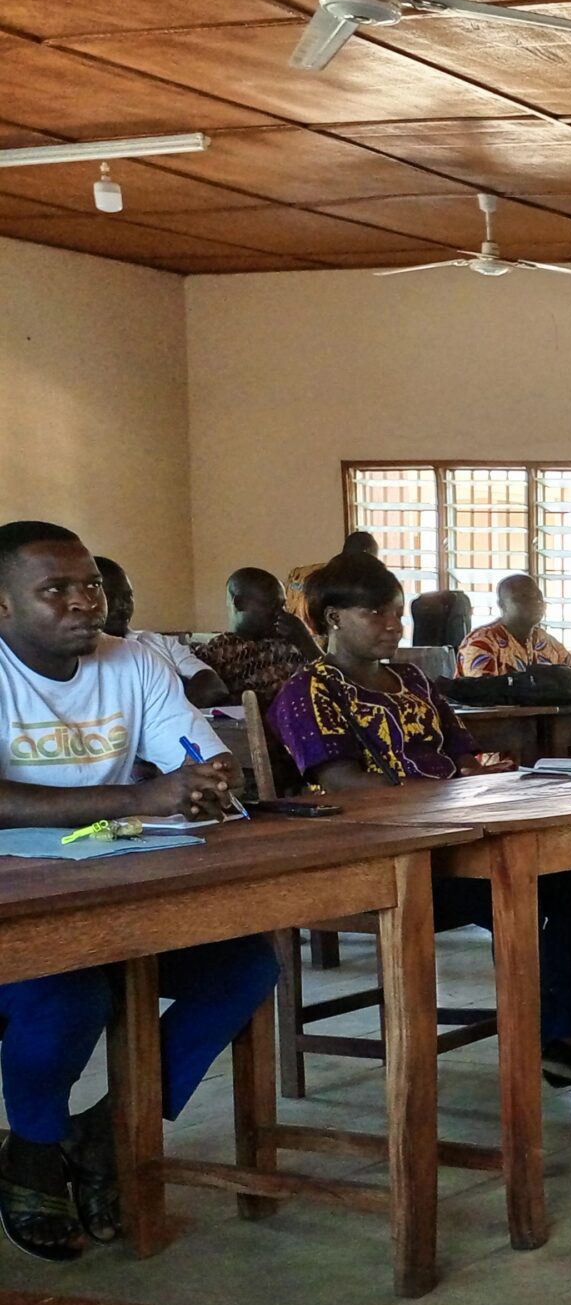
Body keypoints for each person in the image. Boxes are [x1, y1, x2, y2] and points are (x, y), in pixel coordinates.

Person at [0, 521, 279, 1262]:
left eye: (90, 585)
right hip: (15, 911)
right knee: (68, 991)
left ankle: (110, 1130)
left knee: (246, 966)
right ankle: (34, 1147)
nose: (83, 602)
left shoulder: (134, 661)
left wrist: (206, 784)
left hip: (116, 893)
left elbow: (198, 760)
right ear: (2, 604)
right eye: (55, 589)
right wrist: (137, 798)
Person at [269, 553, 571, 1083]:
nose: (394, 626)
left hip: (450, 841)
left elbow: (460, 758)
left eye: (397, 613)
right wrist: (438, 799)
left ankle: (564, 1034)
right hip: (373, 858)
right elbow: (341, 782)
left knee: (569, 882)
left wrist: (491, 779)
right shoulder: (310, 689)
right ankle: (542, 1036)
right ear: (333, 618)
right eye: (376, 614)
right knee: (520, 887)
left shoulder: (413, 681)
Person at [93, 555, 226, 708]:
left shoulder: (158, 642)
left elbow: (212, 684)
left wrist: (169, 711)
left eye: (128, 596)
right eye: (110, 597)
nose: (123, 606)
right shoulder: (82, 656)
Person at [199, 566, 317, 704]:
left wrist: (305, 641)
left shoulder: (294, 640)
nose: (281, 613)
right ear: (240, 603)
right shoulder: (220, 649)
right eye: (273, 605)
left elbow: (334, 677)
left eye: (283, 606)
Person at [457, 574, 571, 678]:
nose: (536, 602)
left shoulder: (546, 641)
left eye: (539, 596)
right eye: (525, 598)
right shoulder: (481, 642)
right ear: (502, 605)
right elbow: (481, 693)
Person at [284, 529, 377, 637]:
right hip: (321, 644)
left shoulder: (298, 573)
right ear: (367, 554)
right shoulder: (350, 583)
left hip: (287, 639)